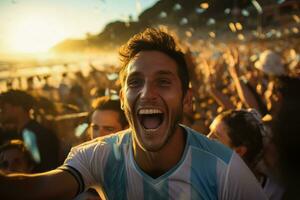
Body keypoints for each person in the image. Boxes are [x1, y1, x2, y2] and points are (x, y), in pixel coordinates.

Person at [0, 28, 267, 199]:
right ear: (123, 99)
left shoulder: (225, 169)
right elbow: (32, 189)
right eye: (135, 82)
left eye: (163, 81)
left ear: (187, 100)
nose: (147, 93)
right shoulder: (100, 155)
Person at [208, 109, 284, 200]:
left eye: (216, 137)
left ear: (239, 151)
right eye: (209, 132)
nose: (207, 137)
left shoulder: (272, 195)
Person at [0, 90, 60, 172]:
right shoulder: (19, 133)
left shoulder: (38, 134)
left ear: (19, 108)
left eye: (3, 107)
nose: (1, 111)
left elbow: (44, 169)